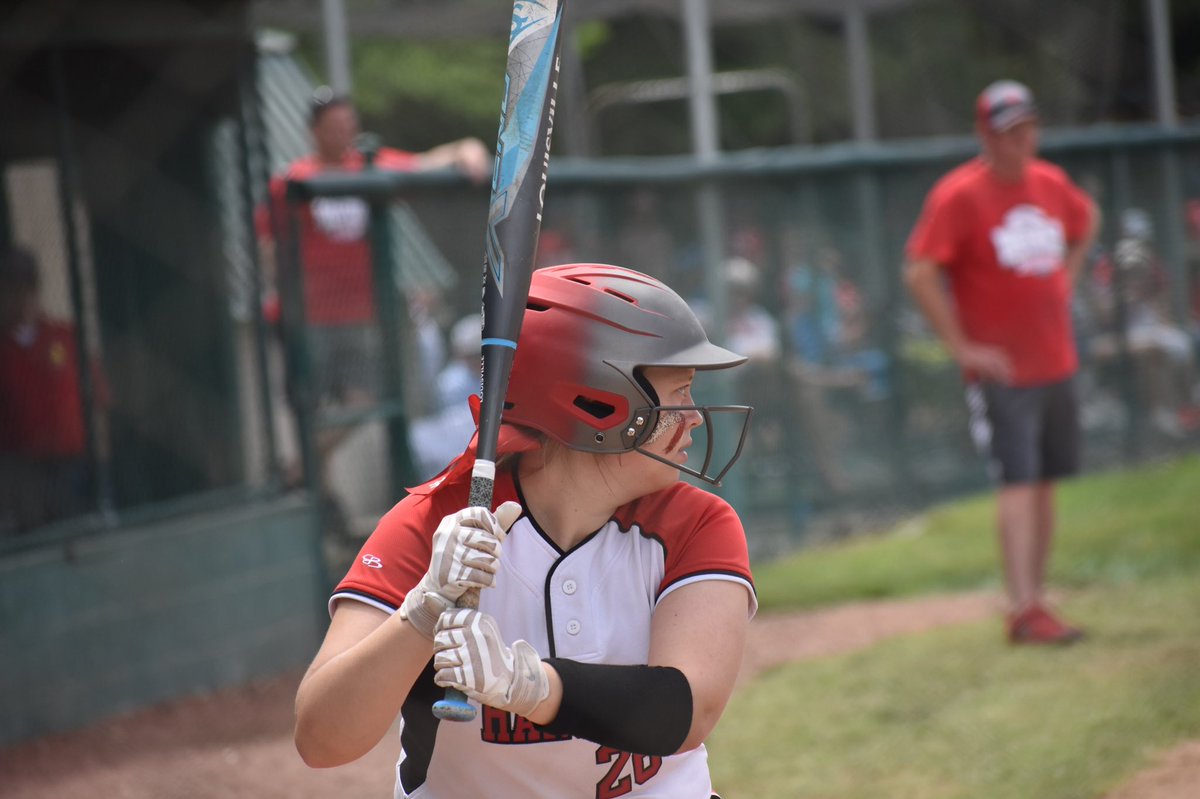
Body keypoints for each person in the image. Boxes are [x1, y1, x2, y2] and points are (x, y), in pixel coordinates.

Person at [294, 263, 756, 798]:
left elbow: (686, 709)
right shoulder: (433, 525)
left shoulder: (696, 523)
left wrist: (529, 685)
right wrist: (421, 615)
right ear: (599, 403)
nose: (695, 417)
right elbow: (321, 740)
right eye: (678, 392)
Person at [903, 80, 1099, 645]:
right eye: (1010, 132)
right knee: (1018, 482)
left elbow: (1088, 222)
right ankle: (1021, 608)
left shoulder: (1050, 183)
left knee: (1044, 484)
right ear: (985, 135)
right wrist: (963, 348)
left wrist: (1071, 276)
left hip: (1054, 360)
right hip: (1003, 372)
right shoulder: (961, 195)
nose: (1022, 141)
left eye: (1028, 129)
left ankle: (1037, 599)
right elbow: (919, 271)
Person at [256, 90, 490, 491]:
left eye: (349, 124)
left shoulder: (367, 165)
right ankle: (321, 499)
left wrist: (467, 148)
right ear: (314, 131)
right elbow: (269, 243)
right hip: (309, 318)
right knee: (309, 410)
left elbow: (424, 163)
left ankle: (299, 467)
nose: (344, 133)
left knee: (367, 395)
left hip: (361, 315)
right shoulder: (293, 180)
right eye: (334, 126)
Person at [0, 246, 107, 533]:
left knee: (76, 531)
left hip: (71, 464)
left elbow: (98, 398)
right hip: (20, 470)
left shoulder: (64, 337)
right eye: (10, 289)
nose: (19, 298)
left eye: (26, 287)